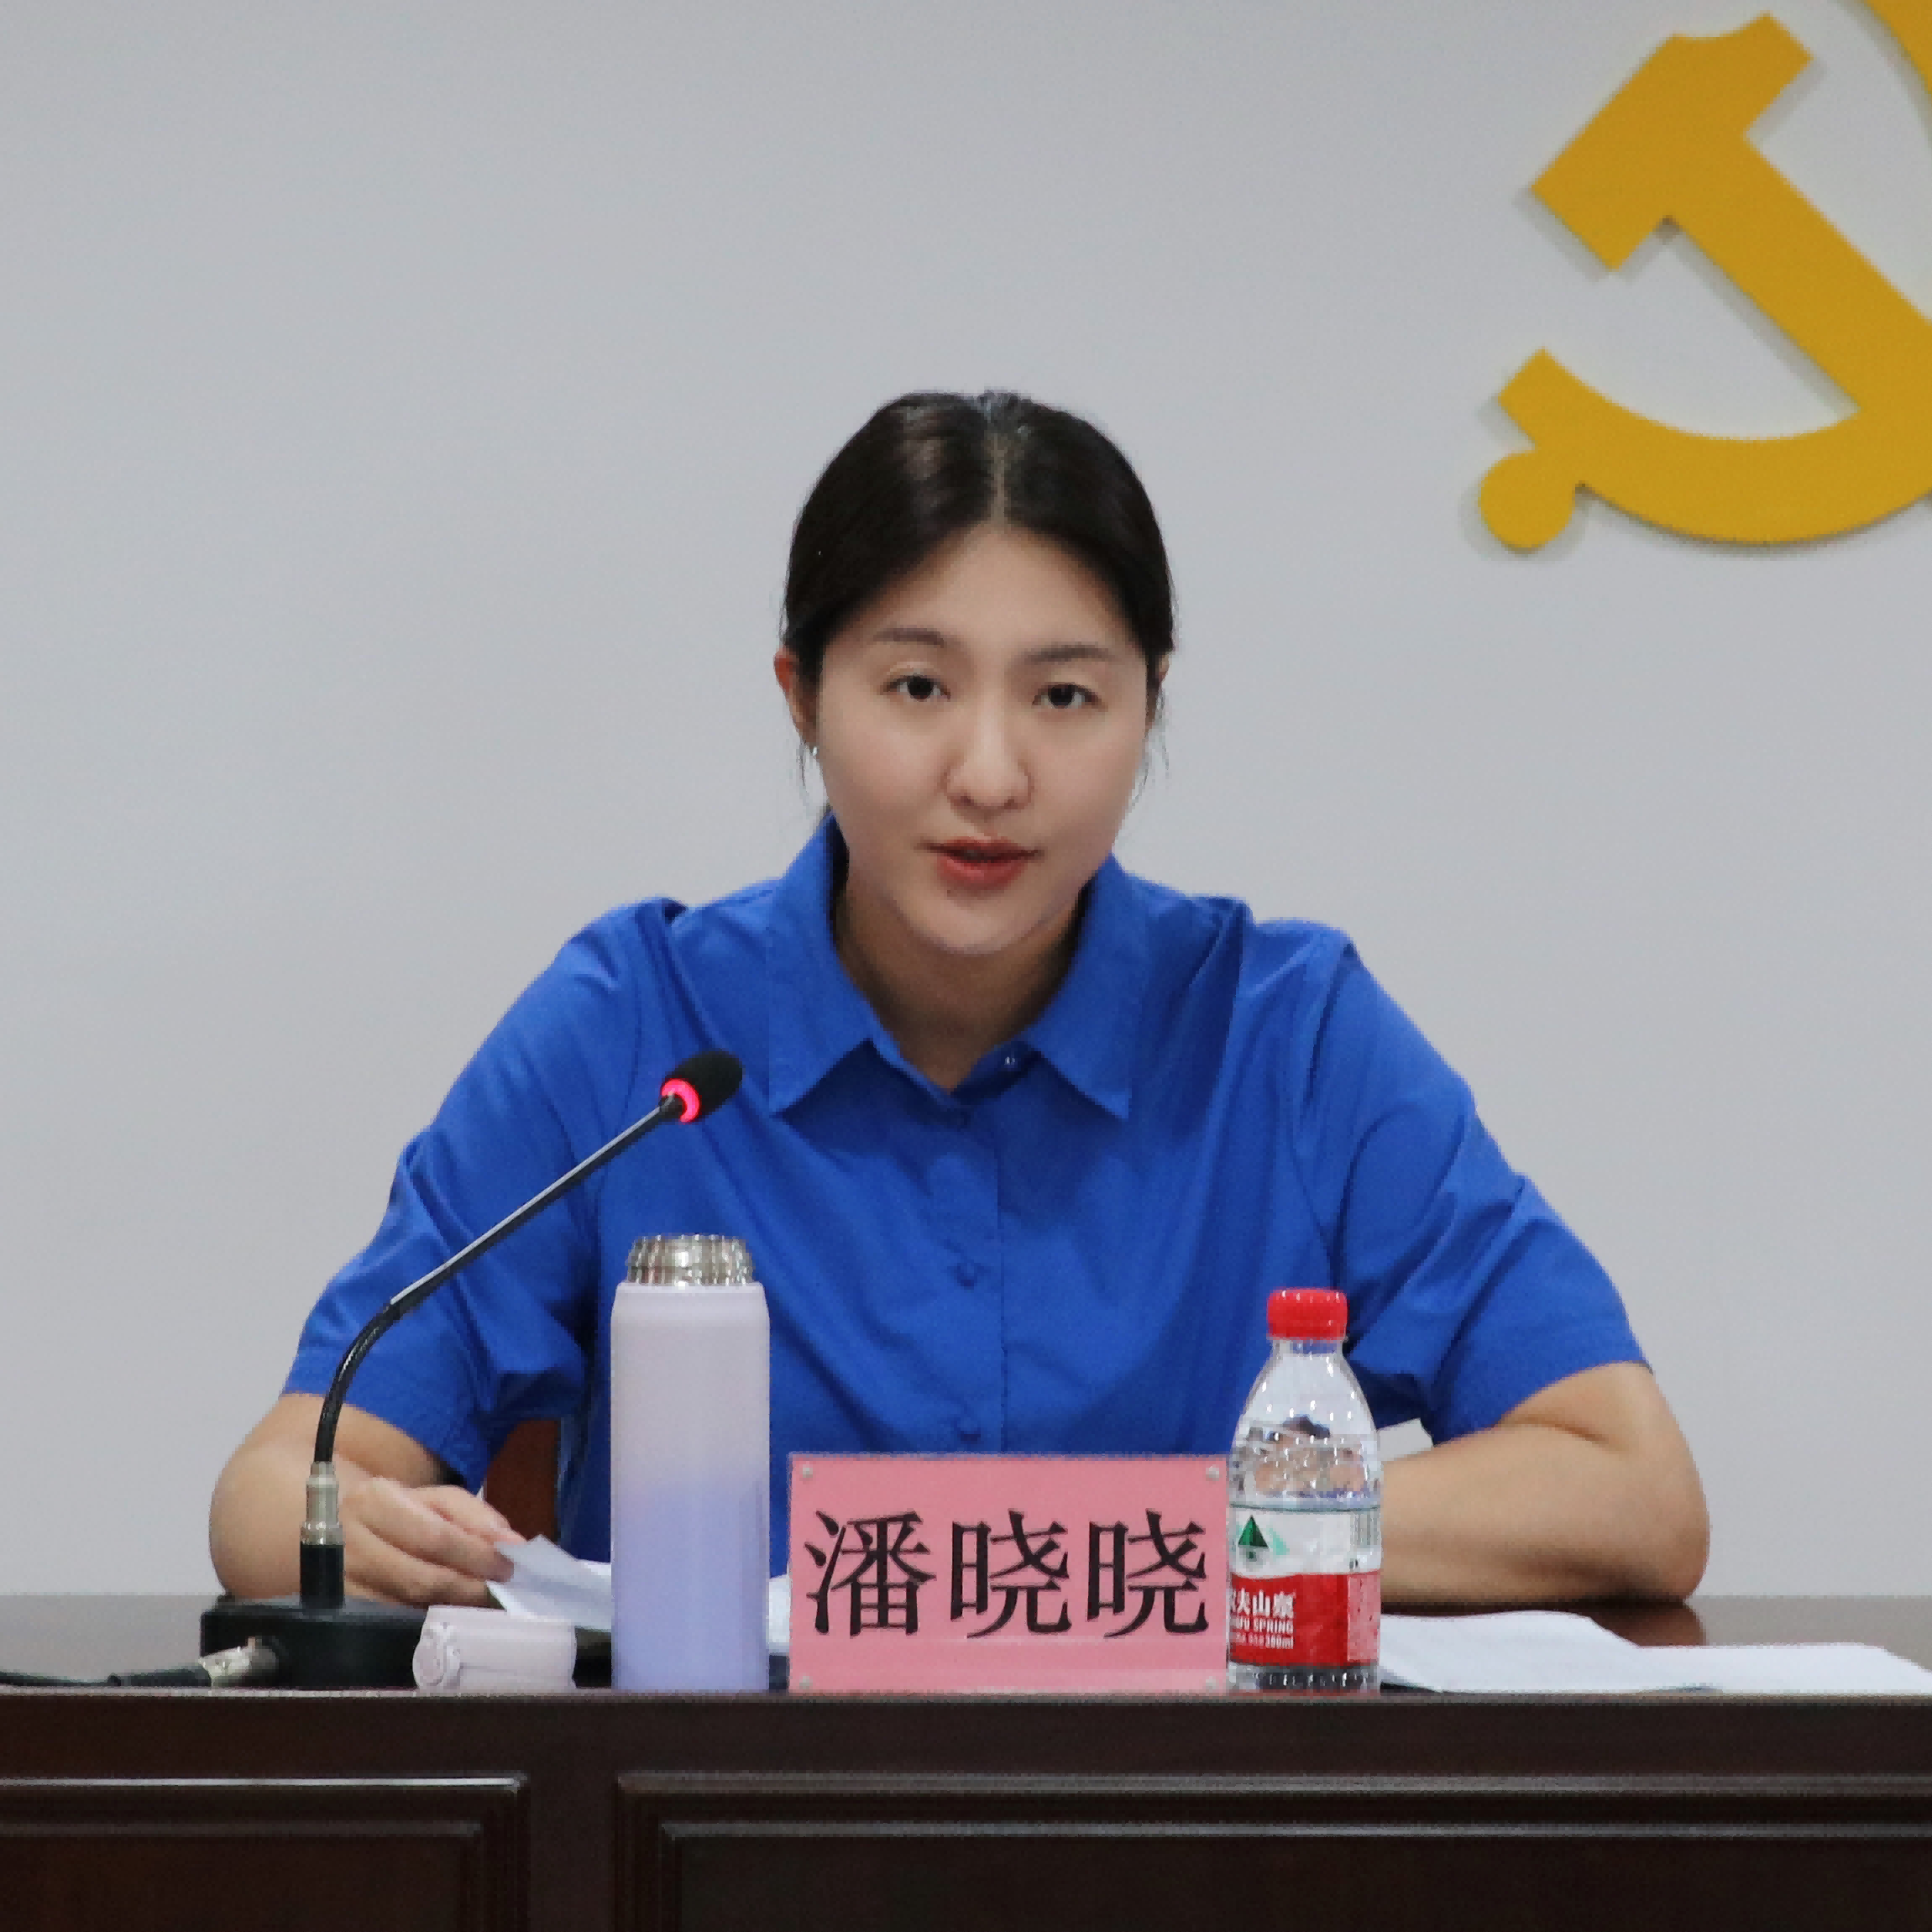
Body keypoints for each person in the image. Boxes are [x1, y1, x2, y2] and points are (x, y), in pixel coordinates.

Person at [209, 390, 1709, 1611]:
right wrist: (352, 1535)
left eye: (1066, 697)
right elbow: (277, 1491)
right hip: (728, 1831)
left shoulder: (1286, 1034)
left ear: (1149, 707)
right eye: (918, 688)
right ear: (802, 697)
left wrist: (1127, 1549)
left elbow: (1630, 1486)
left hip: (1187, 1831)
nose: (991, 775)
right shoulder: (638, 1026)